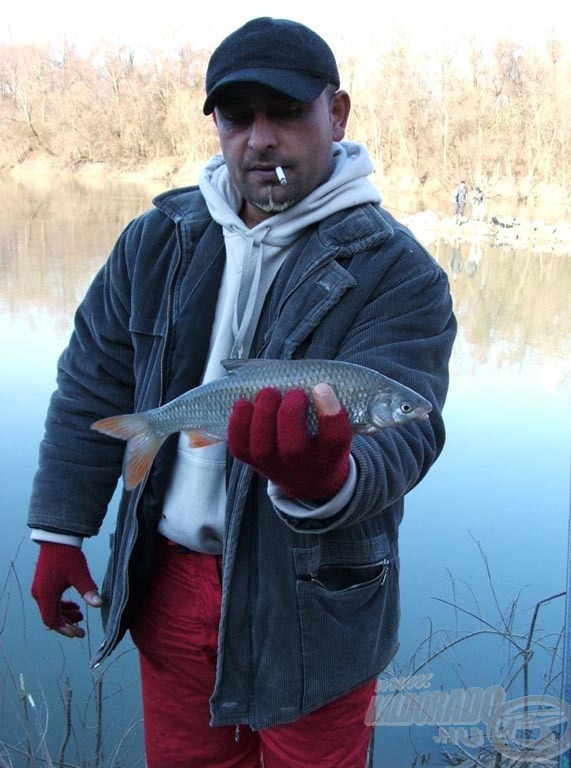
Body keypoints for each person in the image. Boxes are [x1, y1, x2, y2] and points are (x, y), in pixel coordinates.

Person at [27, 16, 457, 768]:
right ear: (218, 124)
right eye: (237, 116)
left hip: (316, 611)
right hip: (165, 587)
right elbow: (88, 383)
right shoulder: (154, 238)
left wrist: (328, 479)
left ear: (337, 113)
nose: (260, 138)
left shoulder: (399, 271)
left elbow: (409, 432)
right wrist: (61, 532)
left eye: (285, 112)